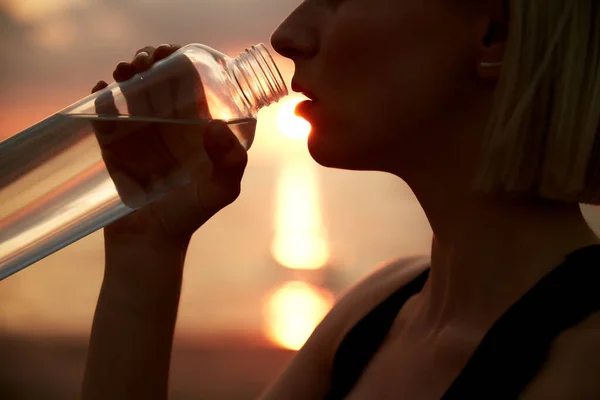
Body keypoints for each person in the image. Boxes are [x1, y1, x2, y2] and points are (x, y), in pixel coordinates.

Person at [82, 0, 600, 399]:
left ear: (495, 35)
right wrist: (144, 253)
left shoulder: (584, 364)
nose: (287, 36)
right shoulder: (373, 314)